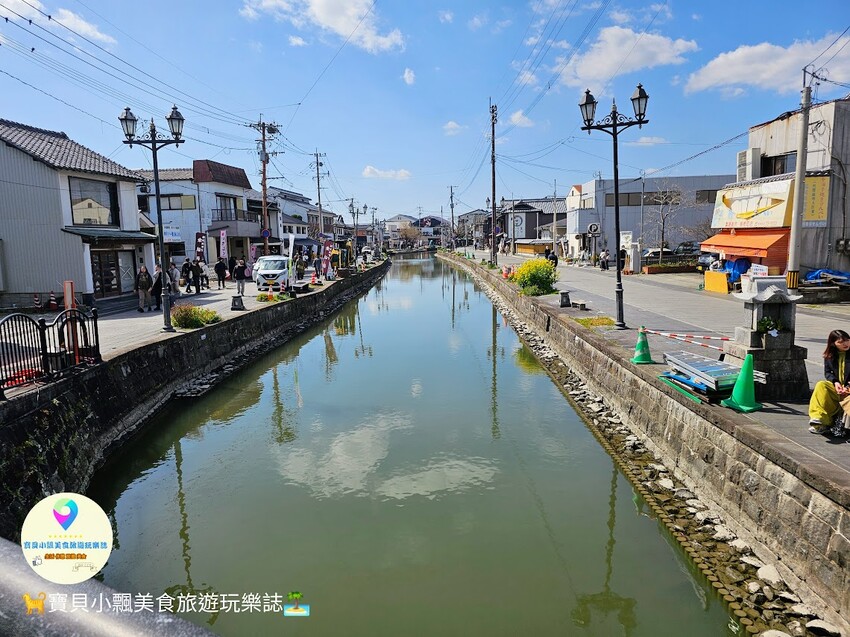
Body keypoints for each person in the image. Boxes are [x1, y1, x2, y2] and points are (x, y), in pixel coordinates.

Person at [808, 329, 850, 434]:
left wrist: (848, 387)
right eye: (840, 342)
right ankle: (819, 419)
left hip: (848, 389)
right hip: (839, 388)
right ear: (833, 343)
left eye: (847, 340)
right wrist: (835, 382)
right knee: (821, 385)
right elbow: (828, 373)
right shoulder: (829, 355)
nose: (845, 344)